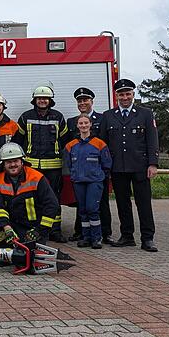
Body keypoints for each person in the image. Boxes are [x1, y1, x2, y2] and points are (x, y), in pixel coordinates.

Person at [100, 79, 160, 252]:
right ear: (116, 96)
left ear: (133, 94)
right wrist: (105, 167)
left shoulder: (145, 114)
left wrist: (153, 163)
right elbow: (103, 144)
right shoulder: (108, 116)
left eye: (128, 94)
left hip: (140, 166)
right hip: (118, 167)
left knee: (143, 204)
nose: (124, 97)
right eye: (121, 94)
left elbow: (152, 140)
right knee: (122, 203)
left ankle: (147, 238)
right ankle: (127, 236)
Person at [0, 142, 59, 265]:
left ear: (22, 161)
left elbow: (52, 205)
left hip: (33, 228)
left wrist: (39, 230)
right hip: (12, 226)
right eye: (8, 162)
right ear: (3, 164)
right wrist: (7, 228)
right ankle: (5, 254)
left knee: (31, 261)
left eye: (15, 161)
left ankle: (17, 254)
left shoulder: (36, 177)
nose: (13, 164)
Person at [17, 85, 69, 243]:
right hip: (31, 167)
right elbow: (18, 141)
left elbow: (65, 141)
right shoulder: (25, 117)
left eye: (45, 98)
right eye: (40, 98)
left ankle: (55, 230)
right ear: (35, 100)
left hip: (53, 167)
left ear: (50, 100)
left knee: (53, 199)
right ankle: (34, 229)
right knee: (31, 199)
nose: (42, 100)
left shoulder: (58, 117)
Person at [65, 87, 114, 244]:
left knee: (100, 205)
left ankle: (103, 234)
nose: (82, 103)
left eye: (85, 100)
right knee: (83, 207)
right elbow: (68, 153)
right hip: (80, 175)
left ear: (92, 101)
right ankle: (83, 234)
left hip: (96, 175)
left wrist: (103, 173)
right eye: (79, 101)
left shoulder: (102, 118)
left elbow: (106, 145)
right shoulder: (71, 122)